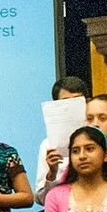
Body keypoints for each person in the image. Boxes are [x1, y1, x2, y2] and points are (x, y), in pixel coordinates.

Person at [35, 76, 90, 205]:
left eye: (77, 101)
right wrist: (52, 174)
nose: (72, 107)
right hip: (63, 211)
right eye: (65, 102)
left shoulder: (99, 137)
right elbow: (41, 199)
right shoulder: (48, 145)